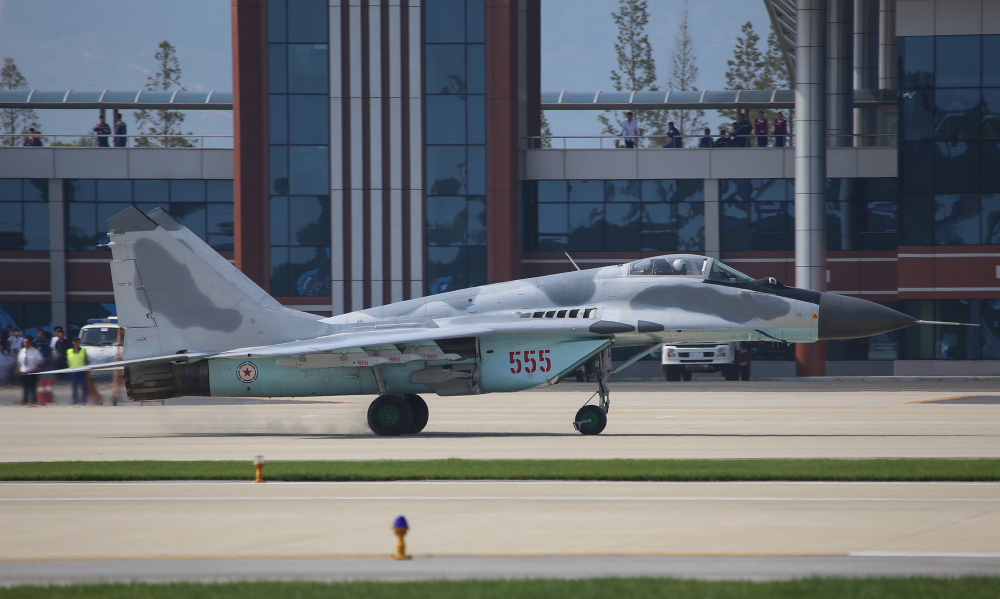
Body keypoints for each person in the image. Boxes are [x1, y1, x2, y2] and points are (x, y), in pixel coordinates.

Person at [17, 337, 43, 405]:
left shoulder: (35, 351)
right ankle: (25, 401)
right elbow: (20, 362)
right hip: (23, 372)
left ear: (30, 343)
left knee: (32, 388)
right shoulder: (21, 351)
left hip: (32, 372)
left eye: (27, 342)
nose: (26, 343)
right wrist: (18, 369)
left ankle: (33, 401)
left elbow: (40, 360)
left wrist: (36, 367)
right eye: (25, 342)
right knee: (25, 388)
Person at [66, 337, 89, 405]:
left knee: (84, 387)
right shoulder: (69, 351)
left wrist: (87, 369)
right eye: (75, 341)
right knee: (74, 387)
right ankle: (74, 400)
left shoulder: (83, 350)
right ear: (73, 342)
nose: (76, 343)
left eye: (77, 341)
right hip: (73, 372)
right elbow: (68, 362)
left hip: (82, 371)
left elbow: (86, 361)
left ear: (79, 342)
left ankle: (84, 400)